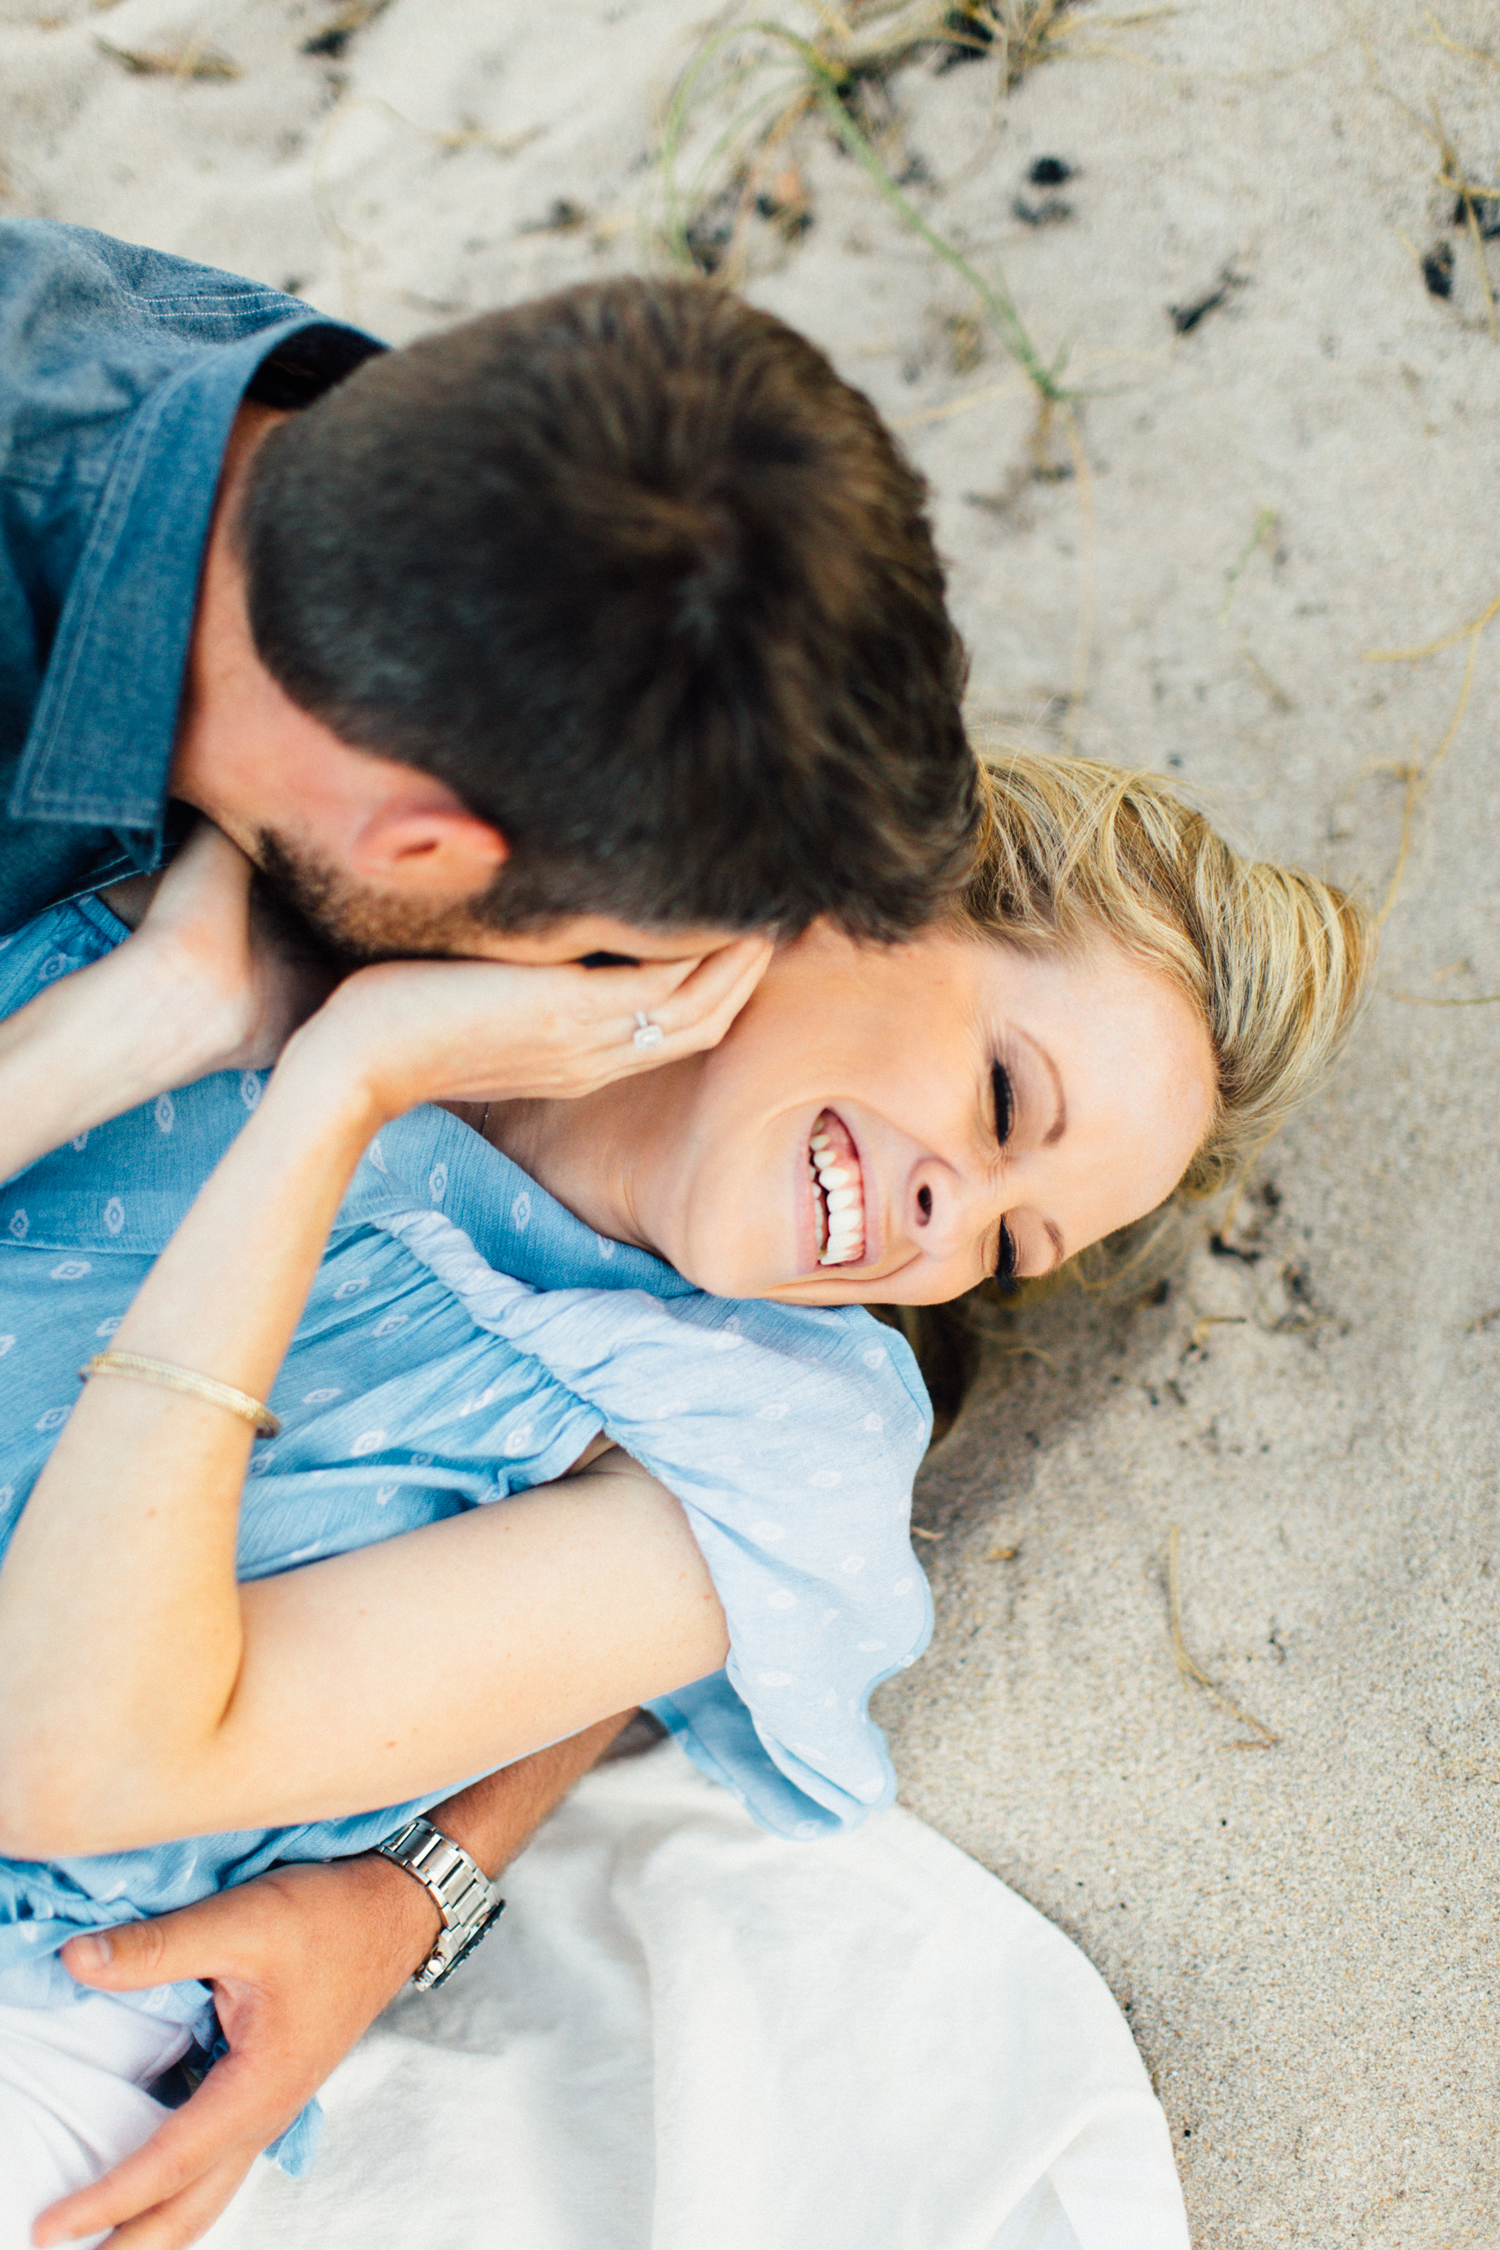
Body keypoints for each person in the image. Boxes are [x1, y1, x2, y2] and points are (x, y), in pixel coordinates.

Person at [0, 752, 1372, 2248]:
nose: (946, 1220)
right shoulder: (309, 872)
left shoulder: (748, 1430)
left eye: (1009, 1239)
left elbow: (68, 1756)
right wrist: (153, 1023)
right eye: (997, 1098)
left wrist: (335, 1093)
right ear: (862, 888)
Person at [0, 217, 980, 2236]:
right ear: (428, 846)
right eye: (628, 966)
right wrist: (130, 1032)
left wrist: (419, 1877)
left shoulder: (438, 540)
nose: (613, 1030)